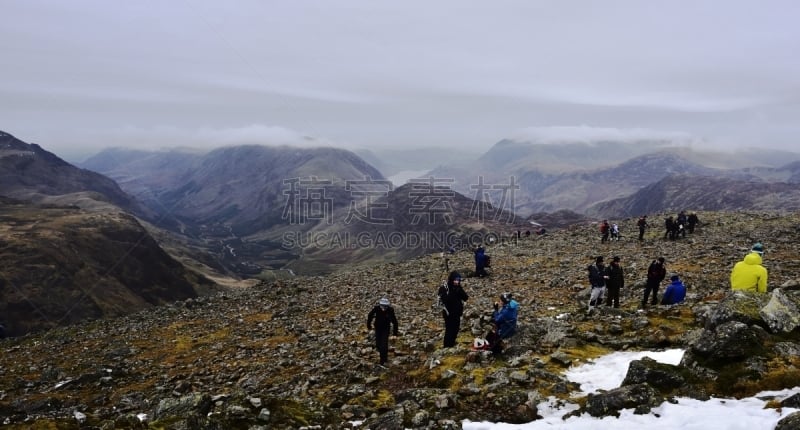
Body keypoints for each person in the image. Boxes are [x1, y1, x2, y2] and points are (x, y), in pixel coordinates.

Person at [438, 271, 469, 347]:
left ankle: (452, 343)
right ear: (451, 279)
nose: (457, 281)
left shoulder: (458, 288)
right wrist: (453, 292)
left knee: (456, 329)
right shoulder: (445, 288)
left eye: (458, 280)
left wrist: (459, 290)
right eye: (455, 280)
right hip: (448, 314)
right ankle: (447, 346)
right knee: (449, 330)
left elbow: (465, 297)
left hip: (457, 313)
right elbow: (444, 300)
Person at [366, 297, 399, 366]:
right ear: (380, 305)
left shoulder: (390, 310)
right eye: (383, 306)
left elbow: (394, 321)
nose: (384, 308)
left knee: (384, 344)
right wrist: (369, 326)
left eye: (385, 306)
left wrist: (395, 334)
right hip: (377, 328)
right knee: (378, 345)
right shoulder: (376, 308)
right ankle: (383, 356)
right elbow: (370, 316)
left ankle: (383, 360)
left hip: (386, 329)